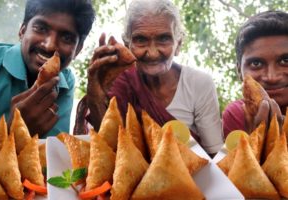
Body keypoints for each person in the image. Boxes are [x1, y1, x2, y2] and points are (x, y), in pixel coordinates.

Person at [78, 0, 223, 156]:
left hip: (191, 177)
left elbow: (214, 154)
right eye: (141, 40)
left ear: (178, 44)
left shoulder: (199, 84)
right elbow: (108, 150)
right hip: (130, 177)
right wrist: (95, 97)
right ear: (128, 45)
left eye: (164, 39)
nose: (152, 53)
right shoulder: (120, 84)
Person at [0, 0, 95, 138]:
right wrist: (11, 133)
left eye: (67, 38)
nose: (49, 46)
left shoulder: (65, 82)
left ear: (78, 50)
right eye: (41, 28)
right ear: (22, 31)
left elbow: (50, 151)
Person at [222, 10, 288, 138]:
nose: (271, 77)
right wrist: (254, 138)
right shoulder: (237, 114)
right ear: (239, 71)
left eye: (285, 61)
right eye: (256, 64)